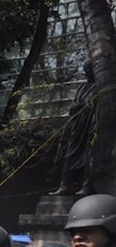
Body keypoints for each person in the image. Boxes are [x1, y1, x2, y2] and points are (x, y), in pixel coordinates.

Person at [51, 61, 98, 197]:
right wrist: (82, 104)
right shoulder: (82, 87)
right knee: (69, 156)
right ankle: (65, 185)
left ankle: (87, 186)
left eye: (89, 70)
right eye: (85, 70)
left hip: (92, 125)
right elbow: (72, 108)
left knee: (89, 156)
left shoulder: (101, 87)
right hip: (78, 126)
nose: (87, 73)